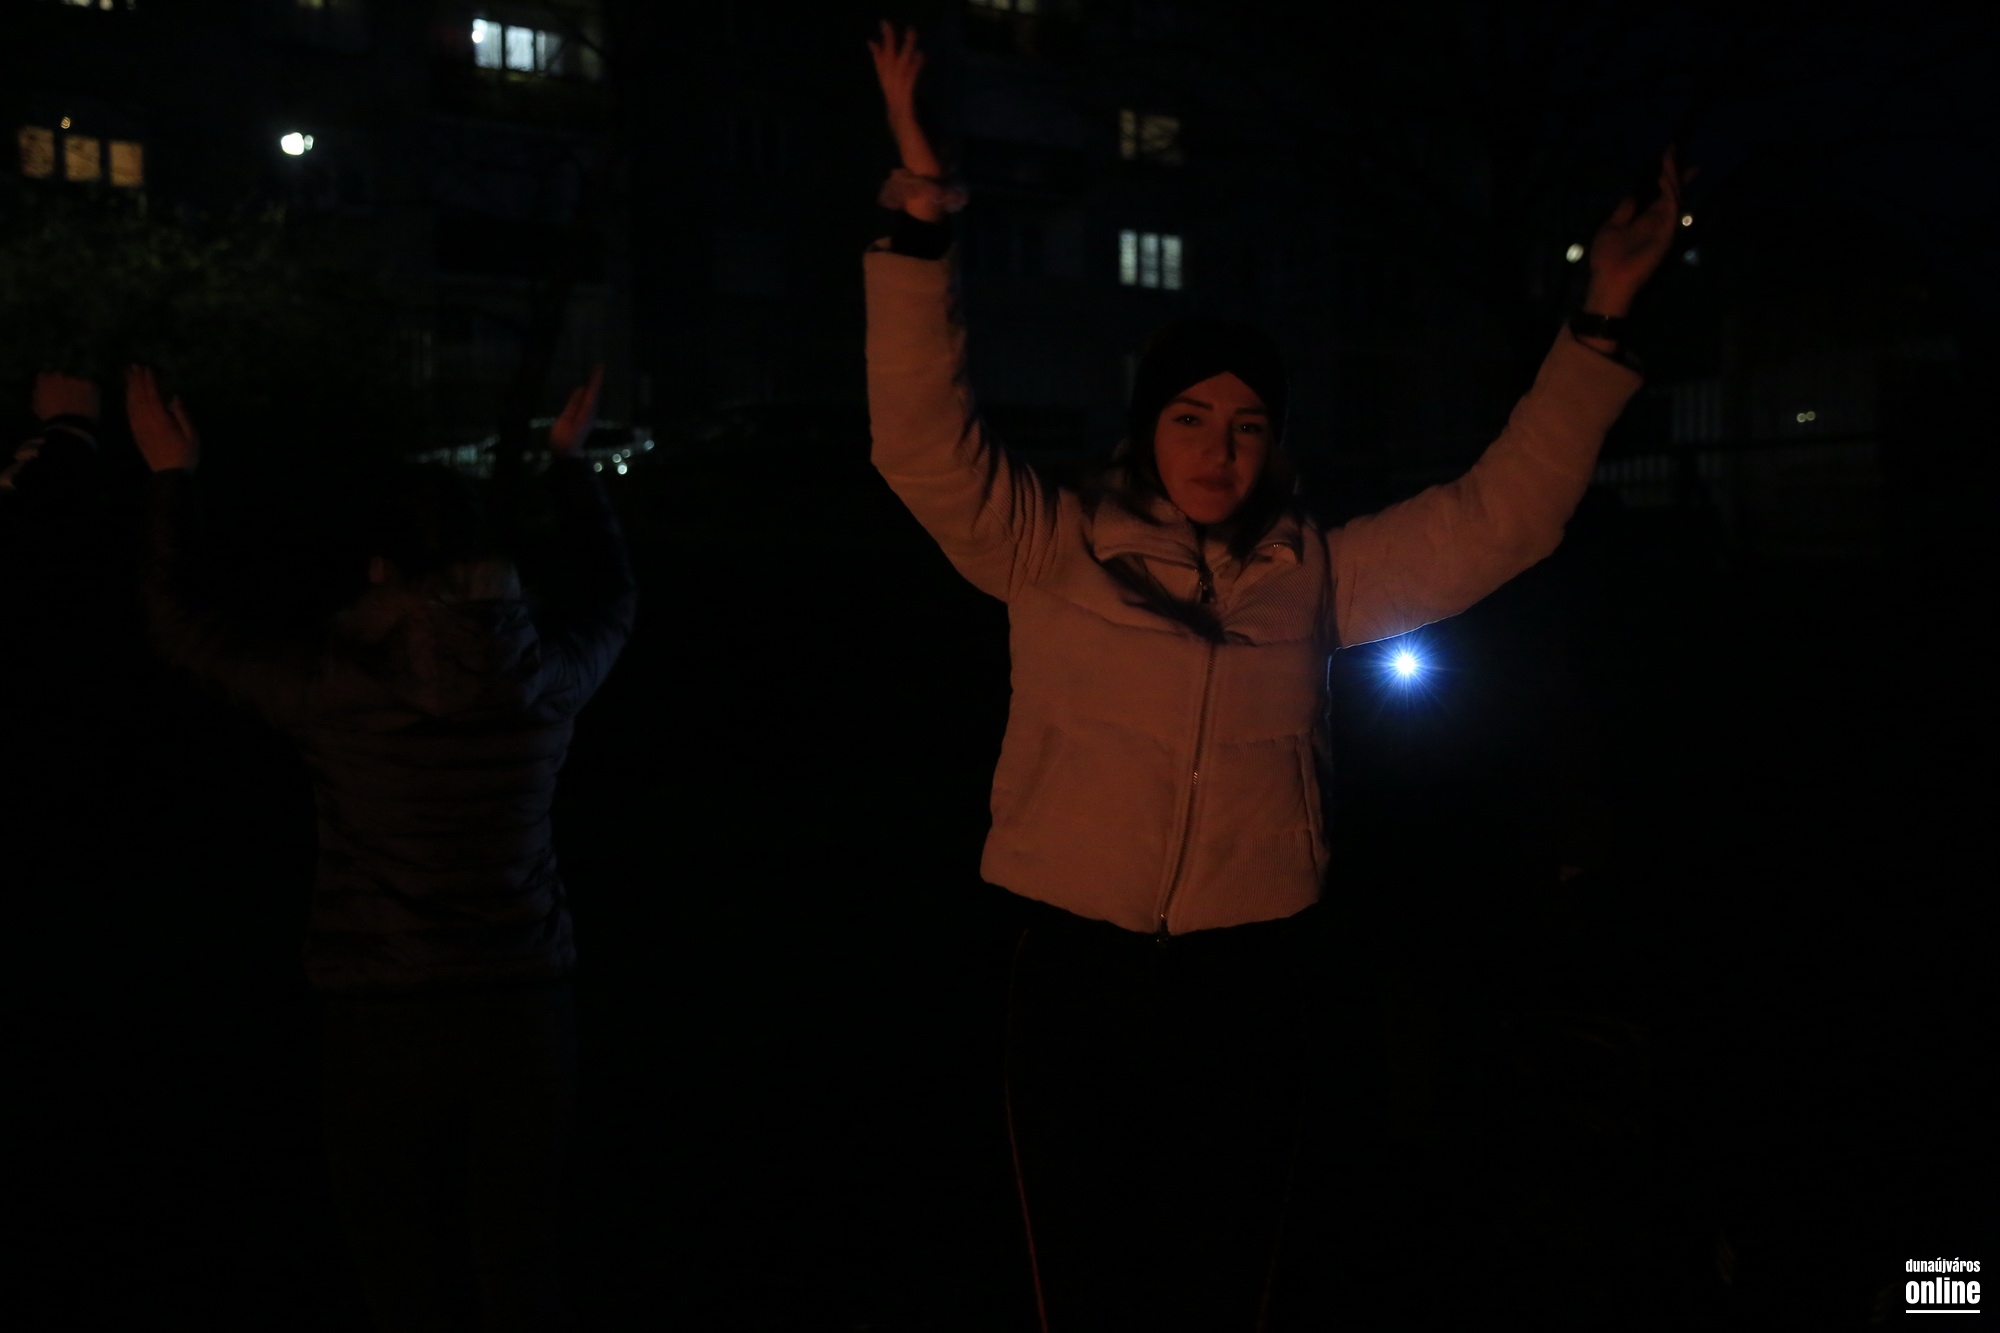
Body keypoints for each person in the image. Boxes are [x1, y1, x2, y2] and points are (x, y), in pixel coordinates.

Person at [864, 23, 1684, 1331]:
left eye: (1247, 424)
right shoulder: (1054, 547)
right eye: (1191, 417)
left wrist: (1601, 320)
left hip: (1246, 979)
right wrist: (919, 213)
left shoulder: (1319, 576)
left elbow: (1502, 518)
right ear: (1147, 428)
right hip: (1076, 971)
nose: (1218, 447)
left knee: (1222, 1268)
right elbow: (922, 442)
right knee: (1077, 1270)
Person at [126, 365, 636, 1332]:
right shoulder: (547, 678)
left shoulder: (336, 682)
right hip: (525, 1008)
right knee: (520, 1267)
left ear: (378, 569)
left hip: (380, 1016)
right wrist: (573, 468)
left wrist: (170, 478)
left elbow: (181, 628)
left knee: (397, 1274)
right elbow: (614, 599)